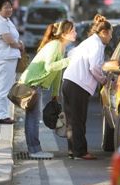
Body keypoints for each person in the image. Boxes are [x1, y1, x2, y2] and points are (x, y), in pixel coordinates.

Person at [20, 20, 77, 159]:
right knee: (33, 118)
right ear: (64, 34)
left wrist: (55, 94)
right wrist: (70, 61)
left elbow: (57, 72)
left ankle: (34, 149)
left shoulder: (60, 47)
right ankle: (34, 150)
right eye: (72, 31)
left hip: (34, 84)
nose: (75, 33)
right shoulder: (55, 46)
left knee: (32, 117)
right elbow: (49, 67)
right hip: (31, 84)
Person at [62, 14, 113, 160]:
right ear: (104, 32)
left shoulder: (89, 42)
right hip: (78, 84)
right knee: (78, 119)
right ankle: (81, 152)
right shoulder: (97, 45)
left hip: (69, 81)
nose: (110, 38)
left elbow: (73, 54)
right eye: (110, 34)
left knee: (72, 120)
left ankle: (73, 150)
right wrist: (103, 80)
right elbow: (95, 67)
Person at [0, 0, 24, 124]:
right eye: (6, 7)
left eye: (10, 7)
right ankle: (0, 116)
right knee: (3, 88)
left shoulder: (7, 21)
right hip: (4, 59)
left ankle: (4, 113)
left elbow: (14, 38)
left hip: (10, 58)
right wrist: (20, 45)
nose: (9, 9)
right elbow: (10, 41)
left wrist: (19, 43)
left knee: (8, 87)